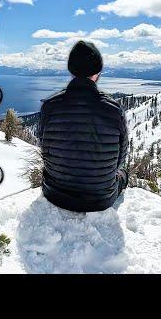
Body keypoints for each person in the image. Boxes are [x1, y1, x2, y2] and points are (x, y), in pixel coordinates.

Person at [37, 40, 129, 212]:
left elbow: (43, 146)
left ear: (71, 71)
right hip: (100, 199)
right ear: (98, 72)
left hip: (55, 194)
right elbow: (119, 159)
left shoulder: (50, 105)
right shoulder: (114, 110)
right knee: (124, 176)